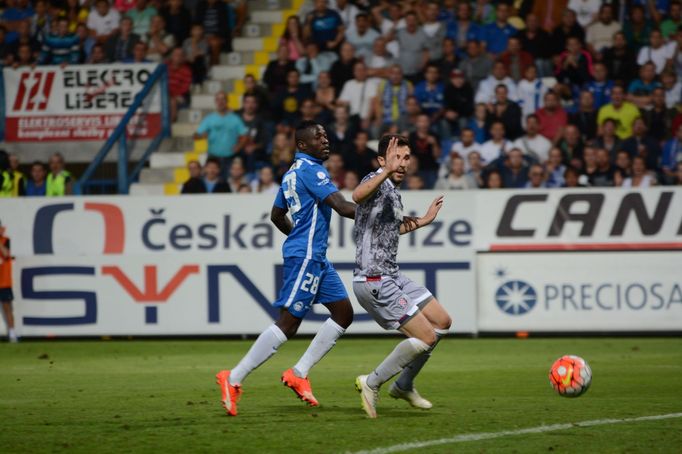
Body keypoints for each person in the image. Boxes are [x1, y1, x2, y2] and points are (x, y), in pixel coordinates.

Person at [216, 122, 357, 416]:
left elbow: (277, 215)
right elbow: (343, 208)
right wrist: (385, 217)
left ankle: (299, 372)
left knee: (344, 313)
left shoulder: (292, 173)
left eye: (325, 135)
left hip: (314, 256)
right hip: (306, 257)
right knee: (288, 323)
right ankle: (233, 378)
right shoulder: (312, 170)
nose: (324, 139)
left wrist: (298, 236)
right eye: (317, 136)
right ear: (302, 145)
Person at [352, 135, 451, 418]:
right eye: (396, 157)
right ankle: (371, 382)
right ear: (382, 160)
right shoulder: (377, 179)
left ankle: (404, 384)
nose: (402, 163)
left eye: (406, 158)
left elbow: (390, 230)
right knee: (426, 337)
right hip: (373, 279)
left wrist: (424, 221)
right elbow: (356, 196)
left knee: (442, 322)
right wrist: (384, 172)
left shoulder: (393, 190)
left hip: (391, 275)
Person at [194, 92, 248, 176]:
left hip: (230, 157)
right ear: (215, 101)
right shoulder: (209, 118)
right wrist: (201, 136)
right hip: (213, 156)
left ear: (227, 101)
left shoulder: (235, 118)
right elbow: (195, 136)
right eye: (218, 99)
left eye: (223, 99)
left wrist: (239, 146)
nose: (220, 102)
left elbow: (245, 135)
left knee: (227, 183)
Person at [0, 220, 16, 343]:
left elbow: (6, 253)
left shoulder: (6, 240)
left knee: (7, 307)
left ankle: (12, 333)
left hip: (4, 281)